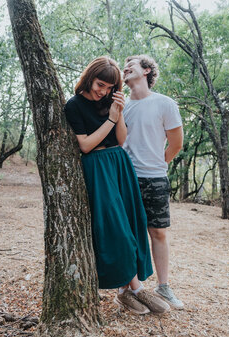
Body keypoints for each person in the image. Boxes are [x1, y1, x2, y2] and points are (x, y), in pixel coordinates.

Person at [64, 56, 169, 314]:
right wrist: (110, 119)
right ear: (90, 78)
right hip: (97, 166)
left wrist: (118, 114)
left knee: (132, 224)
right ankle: (136, 289)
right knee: (117, 229)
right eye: (101, 84)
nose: (104, 91)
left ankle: (127, 292)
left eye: (110, 88)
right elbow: (85, 145)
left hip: (120, 164)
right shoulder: (74, 105)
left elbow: (121, 140)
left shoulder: (111, 102)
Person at [122, 55, 185, 309]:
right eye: (124, 66)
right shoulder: (122, 105)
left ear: (147, 70)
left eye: (132, 65)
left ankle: (163, 287)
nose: (125, 68)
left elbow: (176, 143)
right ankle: (126, 289)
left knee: (158, 232)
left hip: (156, 178)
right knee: (128, 234)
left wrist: (159, 164)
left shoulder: (165, 104)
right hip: (127, 179)